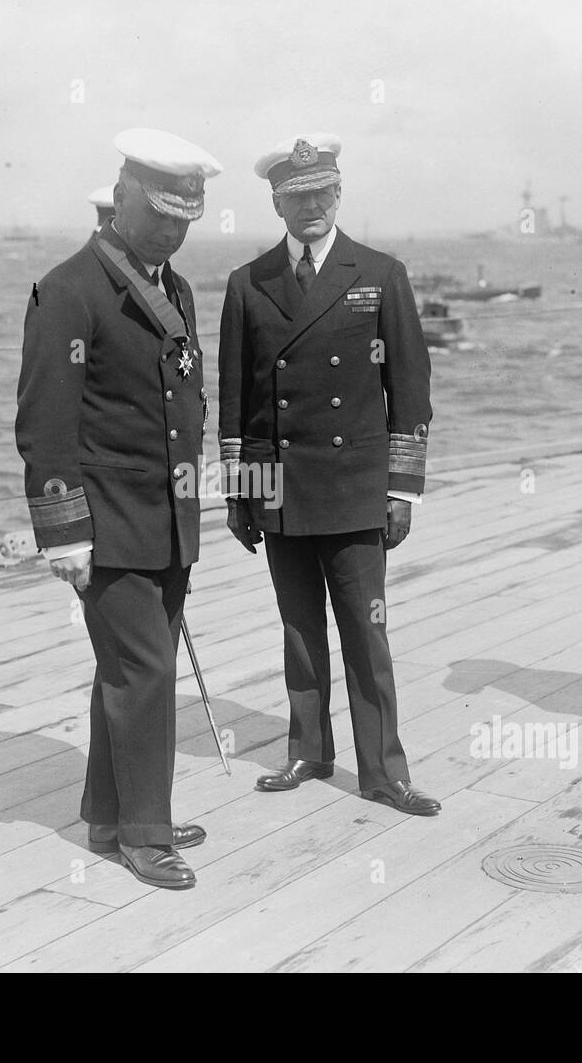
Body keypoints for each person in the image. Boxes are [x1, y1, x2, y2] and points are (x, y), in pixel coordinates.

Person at [15, 128, 222, 887]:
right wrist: (63, 533)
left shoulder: (175, 290)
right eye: (161, 214)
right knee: (145, 671)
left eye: (185, 219)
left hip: (168, 519)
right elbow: (44, 425)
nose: (172, 231)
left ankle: (111, 814)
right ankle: (145, 832)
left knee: (129, 670)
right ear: (123, 196)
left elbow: (180, 405)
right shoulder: (68, 289)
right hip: (104, 524)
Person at [217, 133, 440, 815]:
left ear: (338, 194)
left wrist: (400, 490)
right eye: (294, 198)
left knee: (365, 630)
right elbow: (238, 403)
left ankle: (383, 770)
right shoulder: (247, 284)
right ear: (277, 204)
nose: (308, 207)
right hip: (281, 490)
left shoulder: (379, 273)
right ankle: (309, 752)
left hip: (355, 490)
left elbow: (411, 389)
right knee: (298, 629)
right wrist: (241, 494)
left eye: (319, 194)